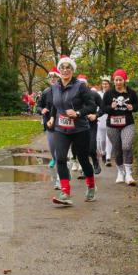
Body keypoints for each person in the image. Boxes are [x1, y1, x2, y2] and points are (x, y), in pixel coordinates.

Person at [44, 56, 99, 206]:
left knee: (83, 159)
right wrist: (52, 117)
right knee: (60, 158)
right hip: (61, 129)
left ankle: (91, 186)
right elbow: (55, 105)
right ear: (59, 70)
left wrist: (78, 113)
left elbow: (92, 106)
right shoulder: (55, 87)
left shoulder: (80, 86)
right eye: (62, 67)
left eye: (68, 67)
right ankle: (65, 193)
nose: (65, 70)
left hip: (80, 129)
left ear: (72, 70)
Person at [103, 68, 138, 185]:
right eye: (116, 80)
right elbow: (103, 108)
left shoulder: (131, 93)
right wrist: (111, 107)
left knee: (127, 145)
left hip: (127, 124)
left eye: (120, 80)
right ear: (113, 81)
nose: (118, 82)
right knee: (117, 149)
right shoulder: (109, 93)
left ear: (124, 80)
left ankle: (129, 173)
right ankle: (120, 172)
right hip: (112, 125)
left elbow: (137, 105)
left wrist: (132, 107)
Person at [36, 67, 61, 189]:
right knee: (52, 146)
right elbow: (38, 106)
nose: (53, 79)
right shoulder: (46, 92)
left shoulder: (62, 90)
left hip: (60, 123)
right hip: (49, 123)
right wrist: (42, 110)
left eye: (55, 77)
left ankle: (60, 175)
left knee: (60, 148)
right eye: (51, 78)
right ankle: (55, 159)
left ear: (58, 78)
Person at [96, 76, 112, 166]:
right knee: (102, 140)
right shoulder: (98, 94)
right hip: (100, 118)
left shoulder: (112, 93)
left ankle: (108, 157)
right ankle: (103, 153)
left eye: (106, 84)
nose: (104, 85)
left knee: (109, 138)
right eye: (103, 84)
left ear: (109, 85)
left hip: (110, 117)